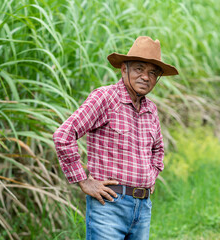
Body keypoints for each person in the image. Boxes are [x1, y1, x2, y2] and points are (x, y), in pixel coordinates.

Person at [53, 36, 179, 240]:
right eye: (139, 69)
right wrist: (83, 180)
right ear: (124, 69)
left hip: (143, 208)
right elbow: (63, 135)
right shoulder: (105, 98)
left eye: (153, 73)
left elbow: (158, 150)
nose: (146, 77)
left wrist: (151, 176)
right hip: (108, 207)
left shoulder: (151, 109)